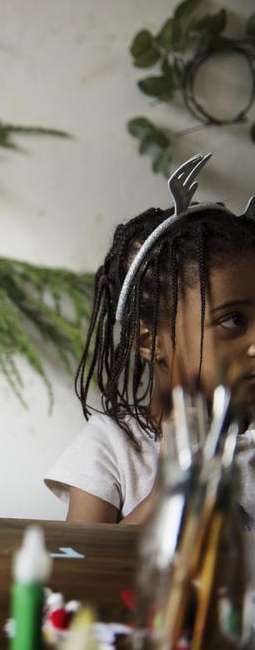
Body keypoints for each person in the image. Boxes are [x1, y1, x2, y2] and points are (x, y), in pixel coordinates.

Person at [45, 154, 255, 523]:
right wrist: (167, 490)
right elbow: (81, 565)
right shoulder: (113, 447)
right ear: (149, 342)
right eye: (233, 320)